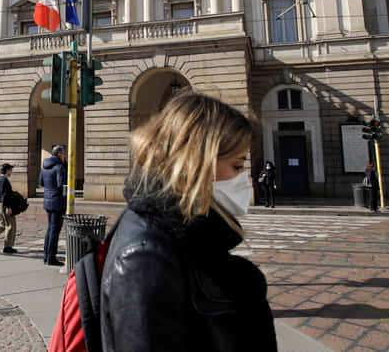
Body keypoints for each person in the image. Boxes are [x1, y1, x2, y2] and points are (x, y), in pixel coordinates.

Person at [100, 93, 277, 351]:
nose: (242, 178)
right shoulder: (145, 257)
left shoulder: (184, 234)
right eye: (237, 165)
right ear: (196, 162)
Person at [40, 145, 67, 266]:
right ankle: (51, 257)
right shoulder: (59, 167)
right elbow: (61, 184)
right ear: (59, 154)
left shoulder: (44, 166)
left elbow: (41, 182)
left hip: (47, 200)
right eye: (64, 153)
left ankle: (46, 255)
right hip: (57, 201)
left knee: (50, 228)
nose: (65, 155)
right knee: (55, 230)